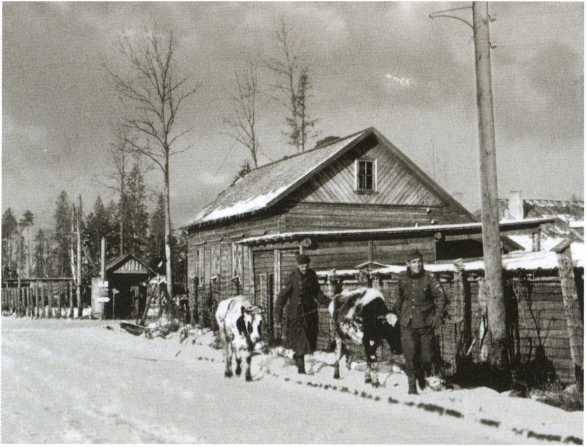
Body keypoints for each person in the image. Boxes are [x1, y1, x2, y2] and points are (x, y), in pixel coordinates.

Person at [395, 250, 446, 395]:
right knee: (410, 355)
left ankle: (421, 375)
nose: (417, 265)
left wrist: (436, 317)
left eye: (419, 261)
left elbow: (441, 298)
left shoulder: (429, 277)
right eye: (413, 262)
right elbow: (399, 299)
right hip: (407, 324)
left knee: (426, 356)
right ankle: (412, 387)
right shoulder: (402, 278)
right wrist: (397, 315)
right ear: (408, 264)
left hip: (425, 323)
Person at [275, 253, 330, 374]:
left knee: (309, 340)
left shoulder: (312, 275)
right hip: (296, 314)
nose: (304, 268)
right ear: (298, 265)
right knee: (300, 341)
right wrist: (278, 314)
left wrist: (329, 302)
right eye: (301, 266)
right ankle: (301, 369)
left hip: (310, 314)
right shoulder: (292, 277)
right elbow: (282, 296)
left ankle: (297, 358)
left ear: (308, 265)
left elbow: (317, 292)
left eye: (305, 265)